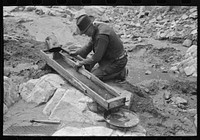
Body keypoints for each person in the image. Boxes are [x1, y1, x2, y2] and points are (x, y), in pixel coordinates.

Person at [70, 14, 128, 82]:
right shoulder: (96, 28)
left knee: (93, 77)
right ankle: (112, 70)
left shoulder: (101, 36)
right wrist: (77, 53)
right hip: (109, 58)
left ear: (90, 27)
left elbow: (96, 58)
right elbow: (88, 46)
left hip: (117, 62)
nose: (85, 34)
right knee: (88, 66)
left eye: (85, 32)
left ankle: (120, 73)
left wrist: (81, 62)